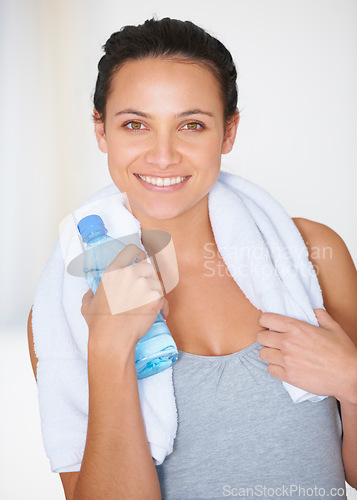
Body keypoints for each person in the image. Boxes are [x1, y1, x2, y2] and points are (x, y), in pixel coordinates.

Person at [27, 17, 357, 500]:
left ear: (228, 132)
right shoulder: (68, 310)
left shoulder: (311, 256)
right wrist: (110, 348)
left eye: (192, 125)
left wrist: (352, 380)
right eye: (135, 124)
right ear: (101, 131)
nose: (163, 155)